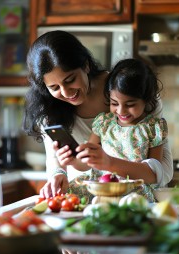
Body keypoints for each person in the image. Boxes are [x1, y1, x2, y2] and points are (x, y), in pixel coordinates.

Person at [23, 30, 173, 200]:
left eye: (70, 80)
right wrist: (59, 173)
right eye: (54, 88)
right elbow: (57, 160)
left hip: (140, 198)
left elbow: (163, 171)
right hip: (90, 198)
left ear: (86, 65)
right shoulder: (50, 110)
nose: (65, 92)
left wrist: (109, 162)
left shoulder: (133, 92)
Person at [55, 58, 168, 201]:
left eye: (130, 104)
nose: (121, 111)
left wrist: (110, 162)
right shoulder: (104, 123)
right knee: (67, 197)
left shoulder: (153, 127)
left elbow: (153, 174)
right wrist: (72, 160)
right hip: (103, 185)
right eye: (114, 103)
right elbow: (86, 162)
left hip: (135, 188)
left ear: (146, 100)